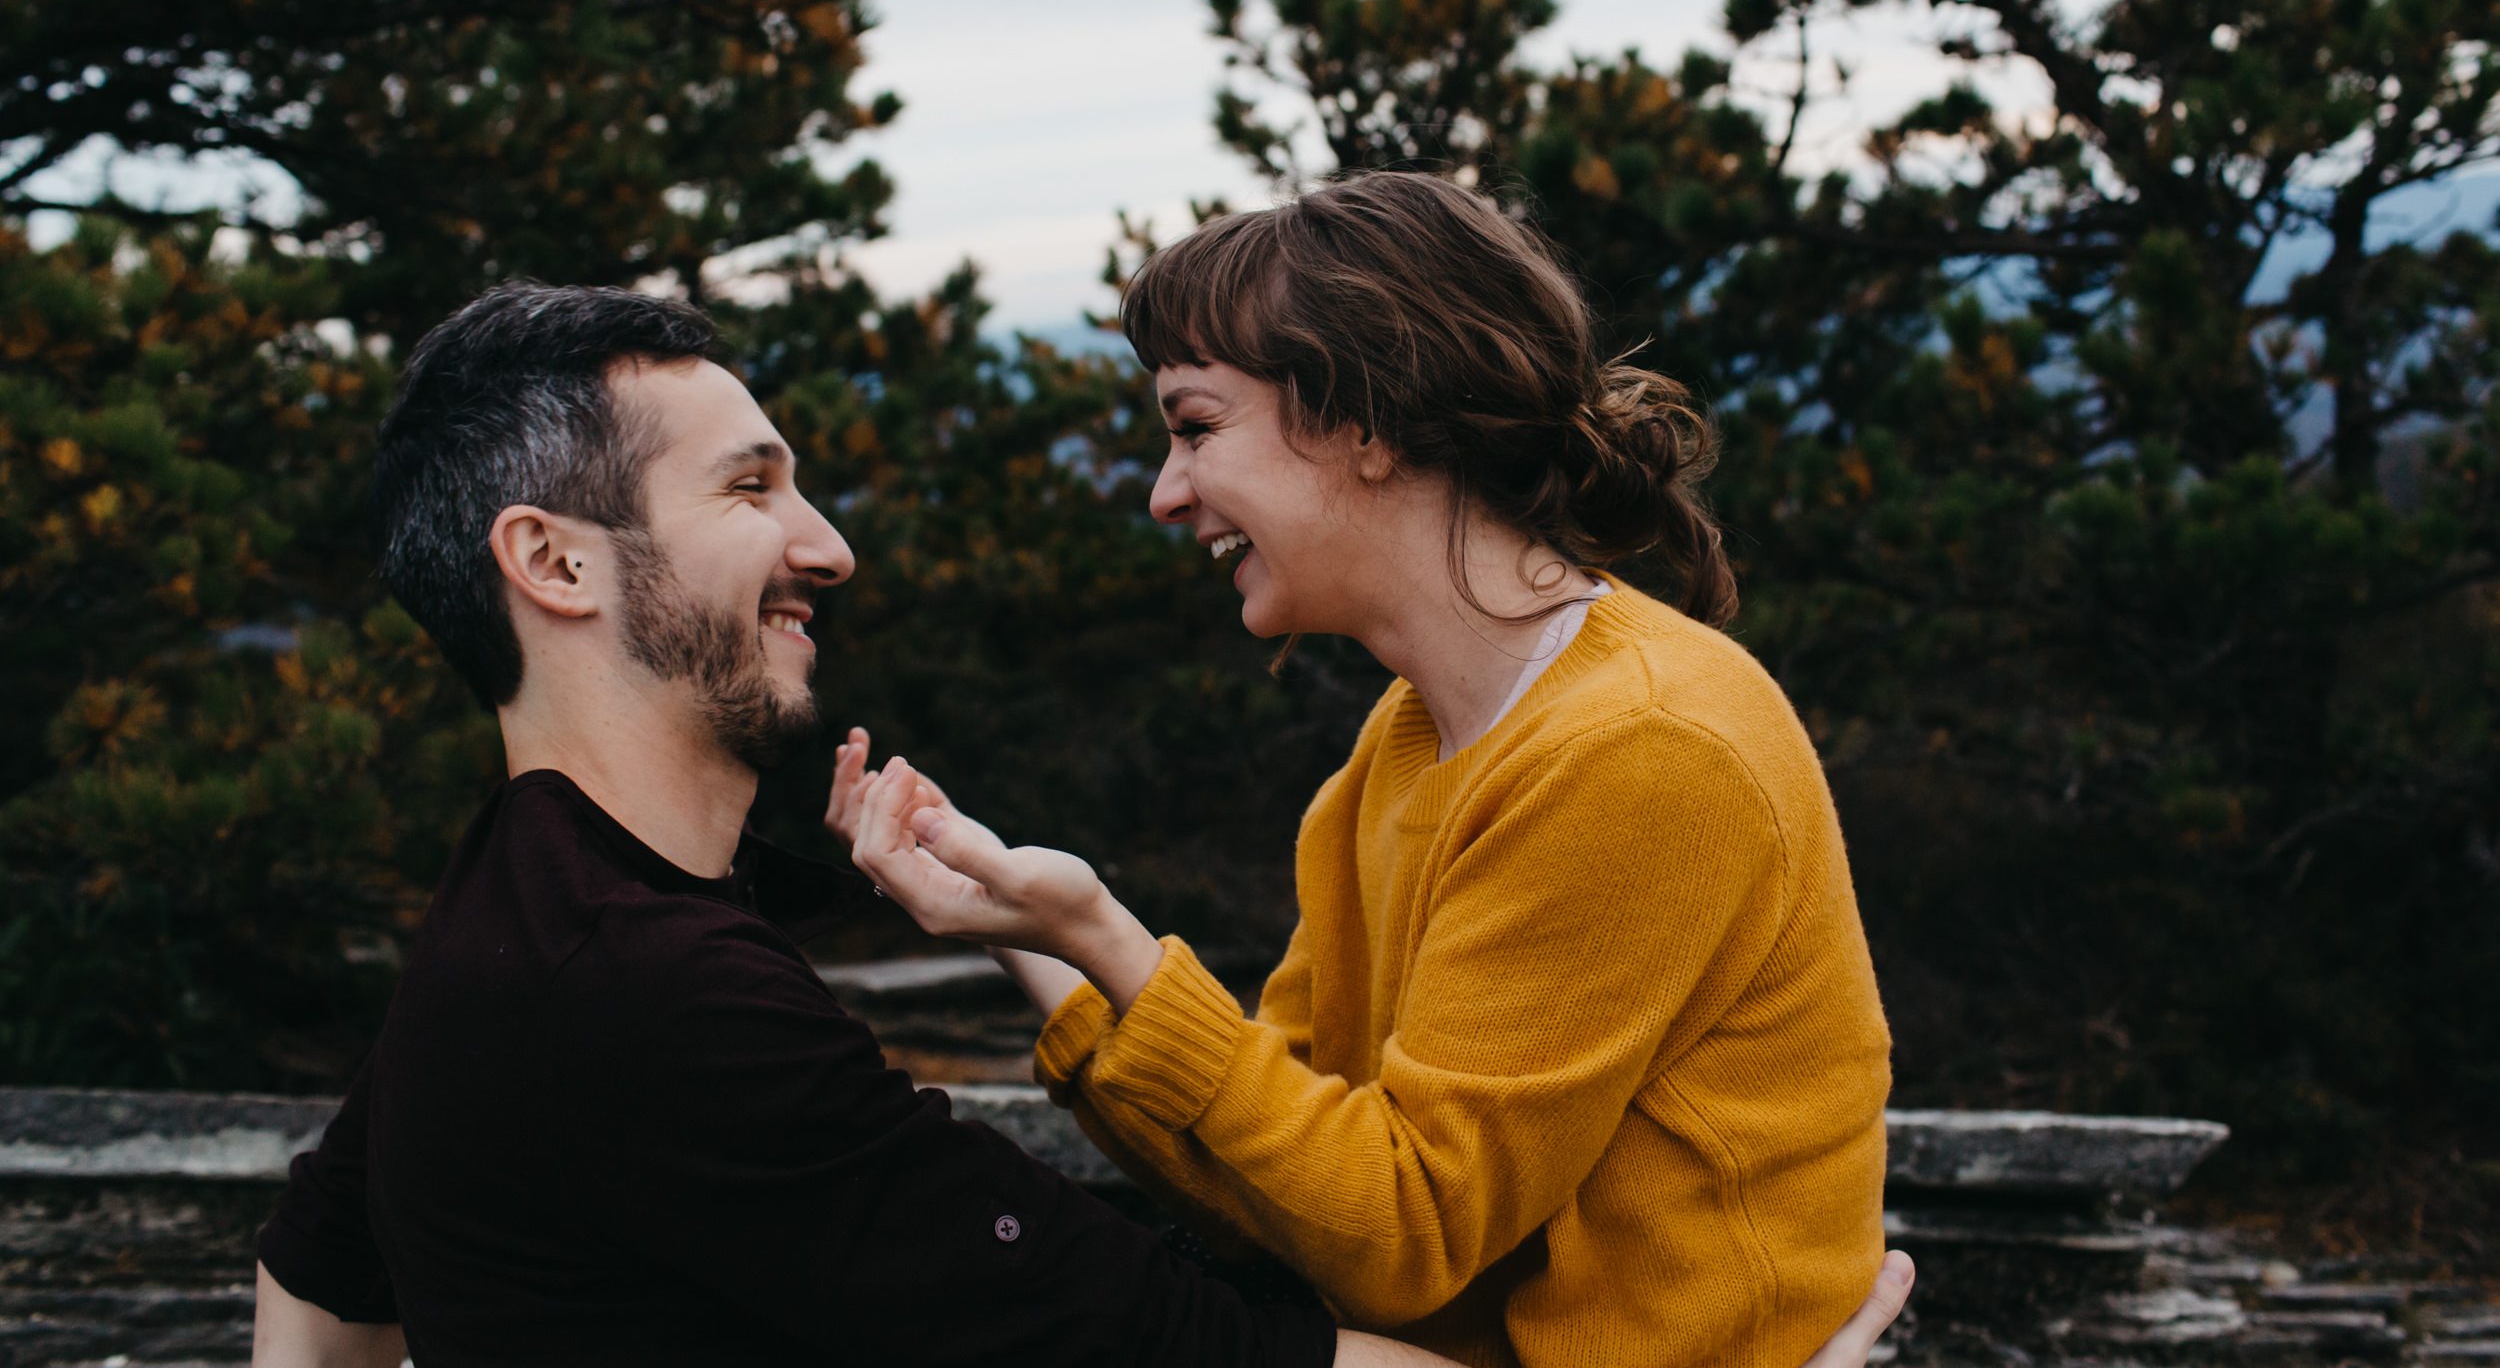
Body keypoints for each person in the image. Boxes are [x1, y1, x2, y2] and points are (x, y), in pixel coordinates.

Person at [250, 279, 1912, 1368]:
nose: (827, 544)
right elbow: (1244, 1333)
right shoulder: (663, 1002)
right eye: (753, 489)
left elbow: (318, 1270)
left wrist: (1063, 937)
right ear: (553, 563)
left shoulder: (518, 922)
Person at [846, 171, 1897, 1367]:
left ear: (1368, 421)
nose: (1164, 491)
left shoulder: (1641, 746)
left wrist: (1103, 933)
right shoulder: (1403, 745)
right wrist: (1040, 937)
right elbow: (1287, 1178)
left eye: (1196, 427)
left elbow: (1400, 1229)